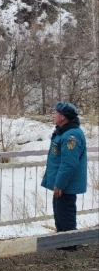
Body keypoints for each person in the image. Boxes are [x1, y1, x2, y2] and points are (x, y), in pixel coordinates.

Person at [41, 101, 87, 241]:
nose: (53, 114)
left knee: (65, 214)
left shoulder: (71, 135)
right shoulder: (64, 132)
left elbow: (68, 163)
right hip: (61, 184)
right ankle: (61, 243)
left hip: (66, 185)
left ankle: (69, 245)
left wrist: (60, 184)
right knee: (60, 213)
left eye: (55, 112)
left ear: (63, 116)